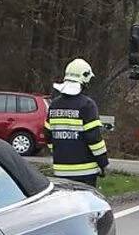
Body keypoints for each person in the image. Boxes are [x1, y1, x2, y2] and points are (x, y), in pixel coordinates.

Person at [44, 58, 109, 188]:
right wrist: (103, 163)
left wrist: (60, 151)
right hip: (86, 172)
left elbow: (48, 136)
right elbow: (94, 139)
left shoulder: (54, 105)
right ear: (84, 79)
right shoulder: (87, 105)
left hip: (61, 170)